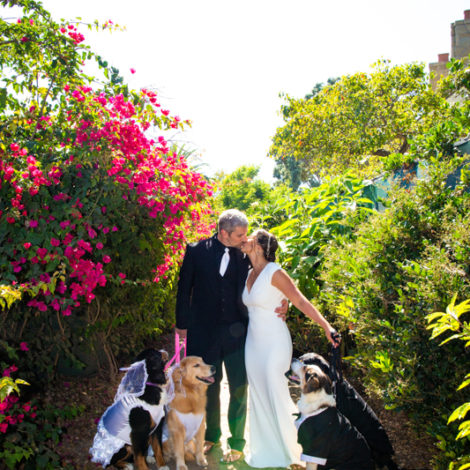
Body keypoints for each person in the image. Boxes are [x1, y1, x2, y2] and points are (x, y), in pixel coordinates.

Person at [174, 210, 287, 463]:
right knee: (208, 387)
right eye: (240, 234)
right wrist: (182, 324)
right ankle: (211, 435)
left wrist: (284, 301)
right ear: (224, 233)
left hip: (240, 333)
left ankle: (237, 443)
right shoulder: (196, 251)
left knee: (239, 387)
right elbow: (184, 289)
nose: (244, 239)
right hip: (203, 332)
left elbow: (271, 274)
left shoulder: (246, 254)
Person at [241, 228, 340, 468]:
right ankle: (267, 451)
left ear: (260, 245)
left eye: (250, 236)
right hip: (253, 344)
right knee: (259, 394)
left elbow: (300, 300)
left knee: (276, 391)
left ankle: (294, 451)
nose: (244, 239)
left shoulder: (276, 273)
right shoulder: (248, 273)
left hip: (275, 342)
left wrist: (326, 326)